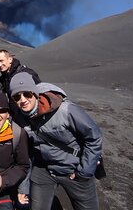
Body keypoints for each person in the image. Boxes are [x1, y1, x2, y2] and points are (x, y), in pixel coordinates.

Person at [9, 72, 103, 210]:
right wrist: (23, 188)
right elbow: (26, 153)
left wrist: (84, 172)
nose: (23, 100)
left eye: (27, 94)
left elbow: (94, 137)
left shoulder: (66, 110)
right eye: (17, 97)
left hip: (74, 170)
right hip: (44, 170)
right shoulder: (20, 119)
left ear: (35, 93)